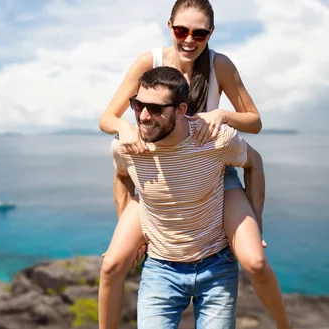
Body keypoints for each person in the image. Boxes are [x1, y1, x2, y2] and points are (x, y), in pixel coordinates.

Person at [97, 1, 291, 328]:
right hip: (158, 171)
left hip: (213, 168)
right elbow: (107, 117)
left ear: (211, 33)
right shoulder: (150, 63)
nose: (189, 39)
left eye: (199, 32)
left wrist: (223, 114)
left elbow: (255, 122)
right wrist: (125, 127)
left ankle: (284, 323)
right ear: (169, 25)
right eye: (181, 30)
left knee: (253, 259)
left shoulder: (219, 65)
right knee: (113, 263)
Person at [109, 65, 261, 327]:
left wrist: (255, 222)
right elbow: (122, 176)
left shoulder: (216, 139)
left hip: (216, 265)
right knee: (110, 265)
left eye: (156, 108)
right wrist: (132, 232)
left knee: (257, 263)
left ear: (180, 110)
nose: (144, 116)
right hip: (160, 268)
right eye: (137, 105)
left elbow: (253, 160)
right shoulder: (126, 146)